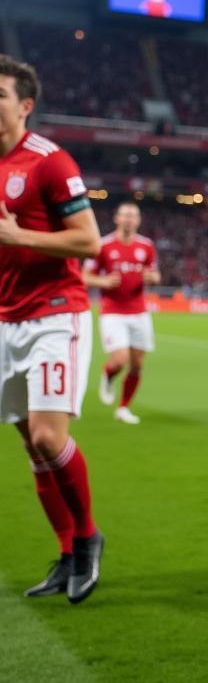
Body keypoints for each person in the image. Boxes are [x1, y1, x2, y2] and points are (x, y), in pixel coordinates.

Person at [0, 54, 104, 603]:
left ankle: (88, 539)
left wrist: (23, 239)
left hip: (54, 312)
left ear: (25, 105)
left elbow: (90, 242)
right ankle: (66, 554)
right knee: (31, 447)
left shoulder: (48, 161)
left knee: (48, 436)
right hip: (5, 318)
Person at [82, 202, 160, 424]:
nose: (129, 219)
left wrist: (152, 278)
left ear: (138, 220)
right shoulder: (103, 245)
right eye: (125, 215)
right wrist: (103, 280)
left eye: (133, 215)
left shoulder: (146, 246)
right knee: (119, 359)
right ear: (117, 218)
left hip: (139, 312)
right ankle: (108, 374)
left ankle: (123, 407)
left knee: (137, 363)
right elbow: (84, 276)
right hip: (112, 311)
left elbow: (155, 274)